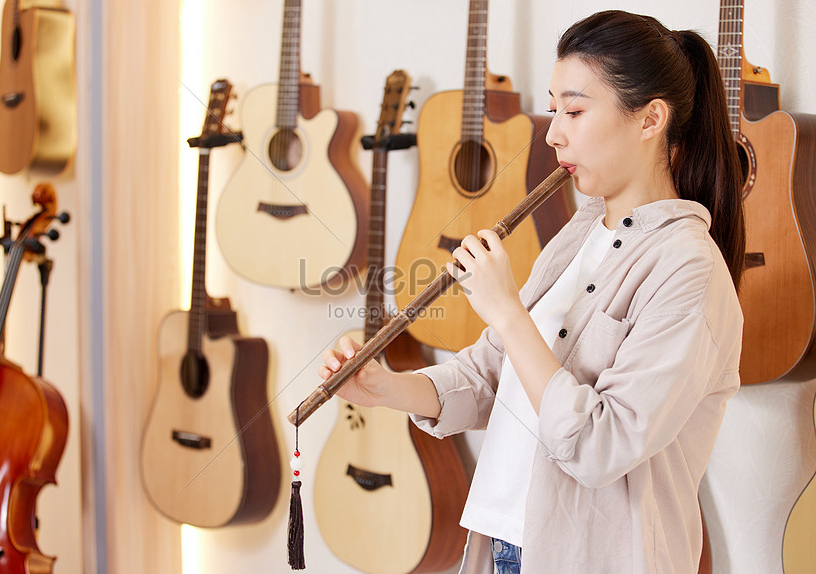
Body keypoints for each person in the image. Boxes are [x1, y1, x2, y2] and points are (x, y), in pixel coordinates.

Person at [319, 10, 744, 573]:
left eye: (573, 110)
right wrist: (387, 387)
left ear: (650, 120)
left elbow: (601, 446)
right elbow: (491, 377)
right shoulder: (578, 234)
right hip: (502, 544)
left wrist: (507, 311)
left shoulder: (689, 271)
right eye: (553, 109)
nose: (552, 132)